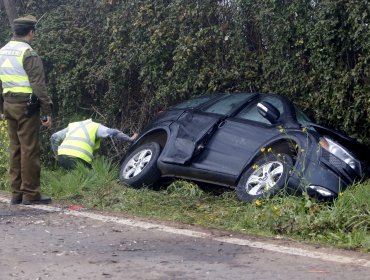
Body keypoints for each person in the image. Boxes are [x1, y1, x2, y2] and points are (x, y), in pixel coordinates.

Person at [0, 15, 53, 205]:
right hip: (26, 107)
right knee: (29, 149)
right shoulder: (28, 53)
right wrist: (47, 111)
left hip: (8, 104)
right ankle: (31, 193)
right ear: (31, 32)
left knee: (14, 148)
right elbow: (38, 85)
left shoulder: (2, 51)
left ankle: (16, 194)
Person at [50, 119, 138, 169]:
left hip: (62, 157)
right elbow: (113, 132)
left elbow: (54, 137)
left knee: (75, 176)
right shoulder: (95, 126)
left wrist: (57, 155)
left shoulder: (73, 125)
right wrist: (130, 139)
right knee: (91, 179)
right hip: (79, 158)